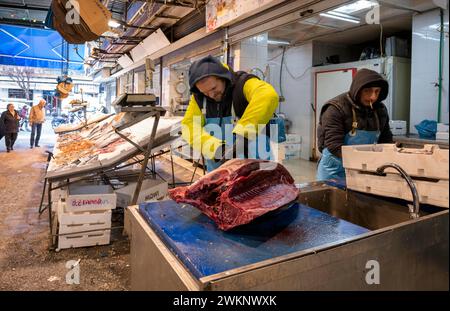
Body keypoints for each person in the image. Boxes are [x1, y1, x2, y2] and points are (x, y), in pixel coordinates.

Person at [182, 55, 279, 172]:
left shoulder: (243, 84)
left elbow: (268, 95)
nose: (211, 95)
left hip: (256, 170)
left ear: (222, 77)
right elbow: (189, 126)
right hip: (220, 174)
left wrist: (243, 136)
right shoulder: (199, 98)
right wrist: (216, 148)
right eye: (205, 92)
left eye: (213, 88)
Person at [316, 68, 394, 180]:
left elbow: (385, 138)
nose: (373, 97)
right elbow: (334, 145)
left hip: (364, 168)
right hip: (335, 170)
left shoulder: (380, 110)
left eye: (377, 91)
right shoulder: (335, 108)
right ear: (358, 90)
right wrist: (361, 161)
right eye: (368, 91)